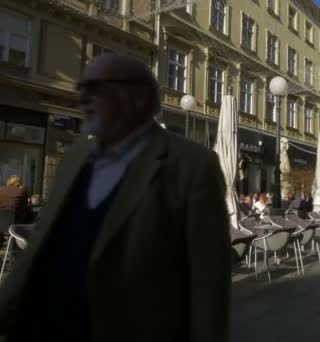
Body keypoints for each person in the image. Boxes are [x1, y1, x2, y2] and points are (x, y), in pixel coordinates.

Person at [0, 55, 230, 342]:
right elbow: (40, 246)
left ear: (137, 97)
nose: (83, 98)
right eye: (82, 87)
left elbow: (209, 284)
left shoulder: (192, 165)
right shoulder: (76, 157)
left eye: (96, 88)